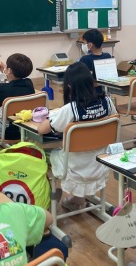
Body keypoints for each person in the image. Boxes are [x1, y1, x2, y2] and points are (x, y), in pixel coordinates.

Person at [37, 62, 116, 211]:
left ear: (69, 87)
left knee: (42, 154)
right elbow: (113, 120)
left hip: (74, 167)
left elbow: (42, 129)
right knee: (82, 149)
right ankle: (78, 198)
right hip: (101, 162)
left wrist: (52, 116)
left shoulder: (70, 110)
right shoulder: (107, 102)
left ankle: (47, 199)